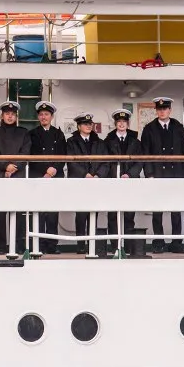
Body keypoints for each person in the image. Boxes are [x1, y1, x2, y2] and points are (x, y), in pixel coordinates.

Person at [140, 96, 184, 253]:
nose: (162, 111)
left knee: (176, 210)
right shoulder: (149, 128)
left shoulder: (178, 126)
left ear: (170, 110)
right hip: (157, 173)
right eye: (159, 109)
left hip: (176, 173)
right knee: (157, 210)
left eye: (165, 109)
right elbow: (145, 153)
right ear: (156, 111)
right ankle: (158, 242)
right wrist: (149, 174)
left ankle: (177, 242)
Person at [0, 100, 31, 255]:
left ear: (16, 116)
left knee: (19, 212)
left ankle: (19, 245)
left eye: (13, 114)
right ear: (2, 116)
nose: (10, 116)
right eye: (7, 113)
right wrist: (5, 166)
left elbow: (25, 153)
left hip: (18, 175)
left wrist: (13, 167)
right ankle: (0, 246)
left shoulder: (23, 133)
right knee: (0, 212)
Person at [102, 108, 143, 255]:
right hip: (113, 182)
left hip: (130, 182)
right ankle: (115, 246)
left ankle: (128, 246)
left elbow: (139, 162)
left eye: (124, 121)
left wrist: (129, 174)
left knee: (129, 215)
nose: (121, 124)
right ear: (115, 123)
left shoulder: (135, 142)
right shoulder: (107, 141)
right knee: (113, 215)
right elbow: (106, 162)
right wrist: (116, 175)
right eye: (119, 121)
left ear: (128, 124)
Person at [28, 100, 67, 254]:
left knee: (52, 212)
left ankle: (51, 245)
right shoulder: (32, 134)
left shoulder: (59, 134)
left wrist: (53, 170)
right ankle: (38, 245)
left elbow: (63, 155)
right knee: (39, 212)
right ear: (38, 117)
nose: (44, 117)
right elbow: (32, 156)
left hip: (54, 176)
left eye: (46, 114)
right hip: (38, 176)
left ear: (52, 117)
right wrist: (45, 171)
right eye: (41, 114)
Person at [66, 112, 105, 255]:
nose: (88, 126)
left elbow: (105, 162)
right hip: (80, 182)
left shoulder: (99, 142)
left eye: (90, 124)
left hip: (95, 182)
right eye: (85, 124)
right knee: (81, 214)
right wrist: (85, 174)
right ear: (78, 126)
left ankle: (92, 243)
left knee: (94, 213)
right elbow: (71, 161)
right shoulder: (71, 142)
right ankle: (81, 244)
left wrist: (98, 175)